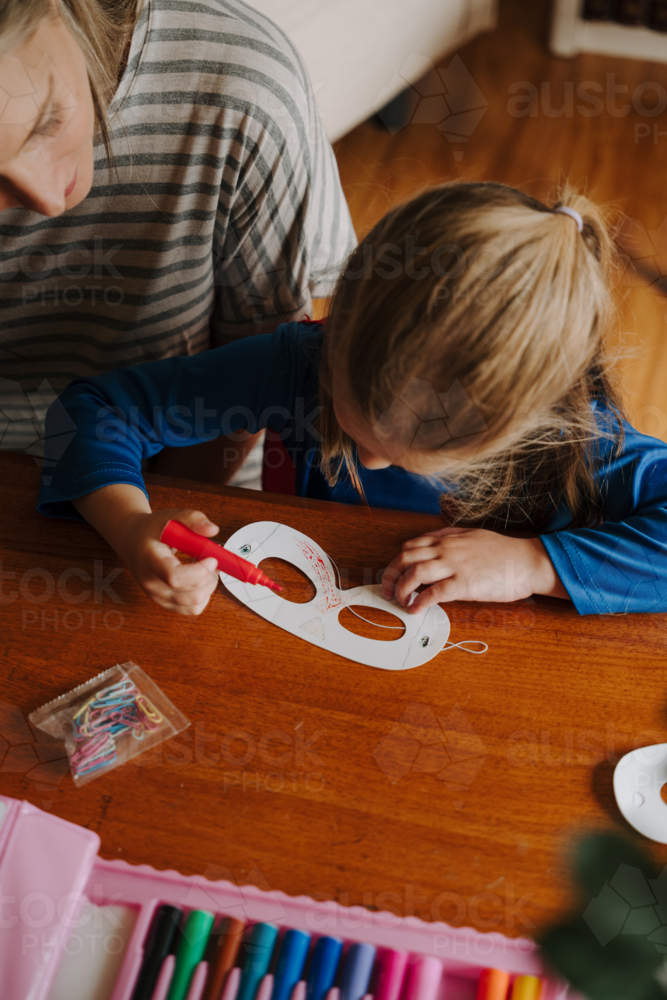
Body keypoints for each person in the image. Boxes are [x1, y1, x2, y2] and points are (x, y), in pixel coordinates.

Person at [36, 181, 667, 617]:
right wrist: (126, 524)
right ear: (339, 341)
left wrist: (533, 565)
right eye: (360, 432)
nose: (367, 465)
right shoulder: (297, 365)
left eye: (402, 456)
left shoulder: (570, 439)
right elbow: (93, 410)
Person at [0, 0, 355, 481]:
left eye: (45, 121)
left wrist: (150, 518)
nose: (46, 200)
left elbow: (257, 383)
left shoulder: (245, 90)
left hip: (187, 463)